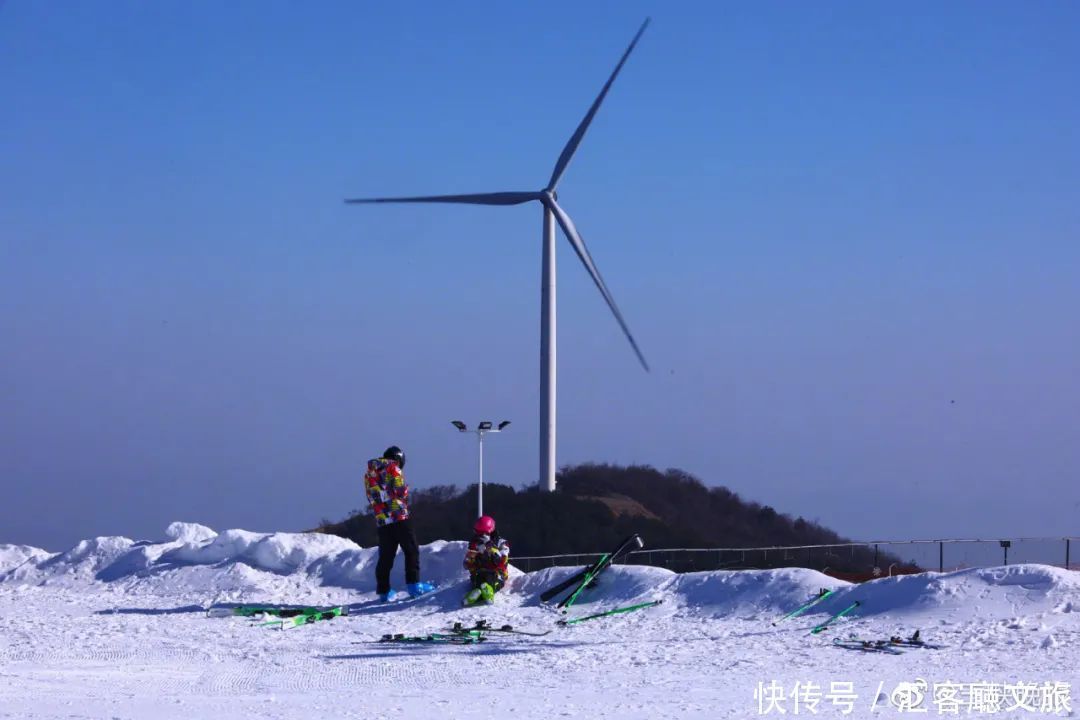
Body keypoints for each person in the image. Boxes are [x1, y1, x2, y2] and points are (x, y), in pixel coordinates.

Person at [365, 445, 434, 602]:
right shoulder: (393, 468)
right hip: (399, 516)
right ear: (398, 458)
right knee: (411, 550)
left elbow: (371, 495)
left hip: (382, 519)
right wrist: (405, 490)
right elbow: (400, 491)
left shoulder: (370, 472)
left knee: (386, 556)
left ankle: (384, 591)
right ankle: (414, 585)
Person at [462, 515, 510, 606]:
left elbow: (502, 561)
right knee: (478, 579)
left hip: (497, 573)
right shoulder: (474, 544)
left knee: (491, 579)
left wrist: (491, 549)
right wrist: (472, 556)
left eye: (482, 534)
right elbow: (466, 564)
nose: (479, 536)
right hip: (479, 572)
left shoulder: (501, 542)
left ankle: (486, 592)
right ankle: (478, 593)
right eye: (478, 533)